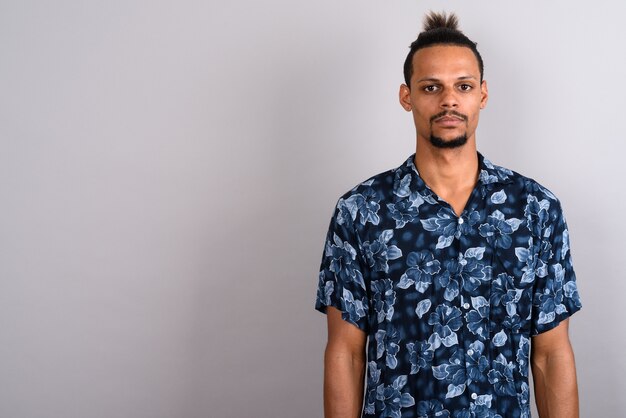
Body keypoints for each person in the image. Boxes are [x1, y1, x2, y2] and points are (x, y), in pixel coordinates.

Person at [314, 11, 582, 418]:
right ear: (407, 97)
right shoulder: (362, 211)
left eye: (463, 86)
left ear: (483, 95)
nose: (449, 100)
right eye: (431, 87)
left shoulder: (535, 209)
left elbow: (550, 355)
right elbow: (346, 353)